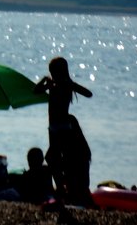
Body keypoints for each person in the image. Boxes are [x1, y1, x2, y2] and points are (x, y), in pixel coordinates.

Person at [34, 57, 92, 201]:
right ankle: (62, 187)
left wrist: (72, 85)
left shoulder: (65, 84)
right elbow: (36, 91)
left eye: (53, 71)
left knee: (57, 158)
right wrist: (44, 80)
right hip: (53, 128)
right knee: (53, 158)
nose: (52, 74)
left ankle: (63, 187)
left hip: (63, 128)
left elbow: (88, 94)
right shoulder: (53, 84)